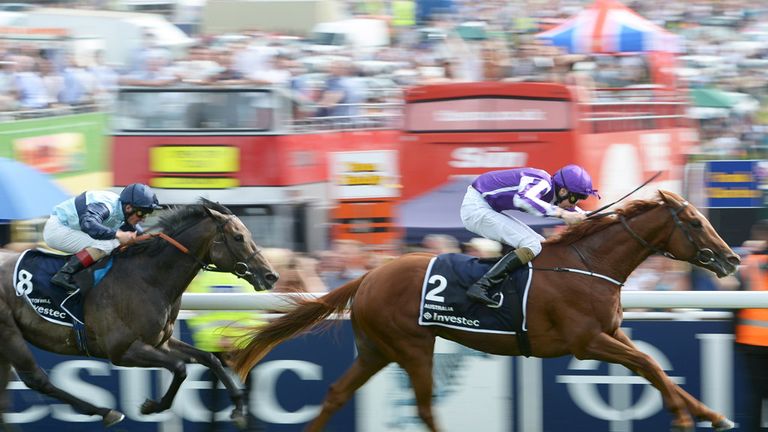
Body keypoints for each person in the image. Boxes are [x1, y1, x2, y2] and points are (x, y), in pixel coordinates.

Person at [460, 164, 599, 305]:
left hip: (485, 205)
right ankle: (482, 286)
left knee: (539, 244)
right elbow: (523, 200)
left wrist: (595, 216)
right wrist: (563, 214)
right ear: (563, 191)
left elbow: (577, 213)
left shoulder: (551, 191)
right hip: (475, 208)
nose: (574, 204)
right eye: (574, 198)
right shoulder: (542, 181)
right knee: (533, 244)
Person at [43, 183, 161, 294]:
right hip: (57, 230)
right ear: (129, 208)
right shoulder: (106, 205)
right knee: (109, 244)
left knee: (115, 242)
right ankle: (64, 274)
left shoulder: (122, 209)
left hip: (71, 229)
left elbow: (137, 234)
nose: (143, 219)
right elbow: (88, 224)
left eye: (147, 215)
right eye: (142, 214)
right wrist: (118, 234)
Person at [735, 219, 768, 431]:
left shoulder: (749, 263)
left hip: (750, 340)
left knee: (757, 396)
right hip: (753, 341)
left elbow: (734, 302)